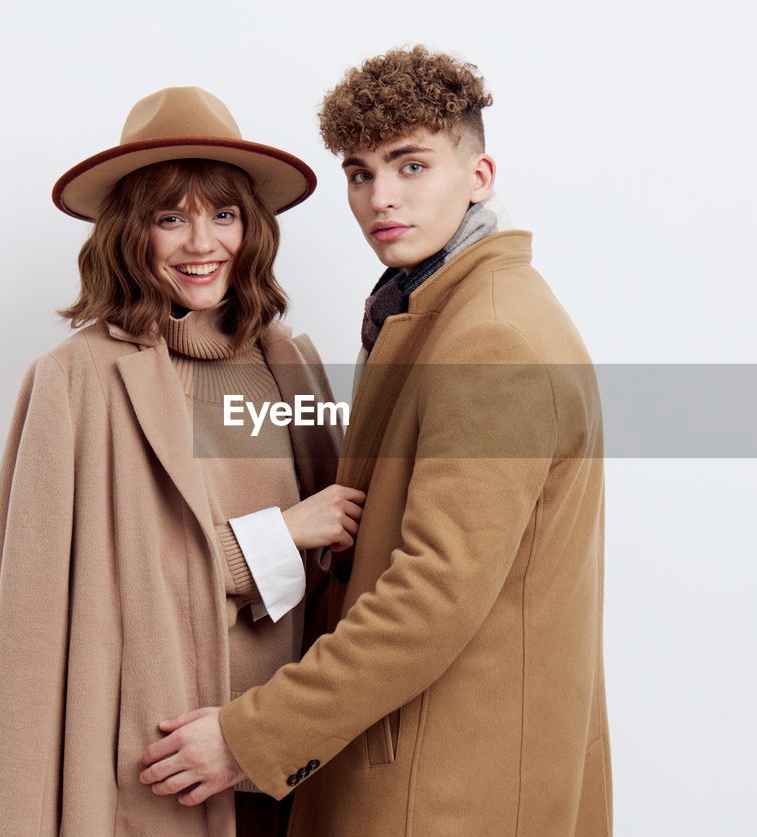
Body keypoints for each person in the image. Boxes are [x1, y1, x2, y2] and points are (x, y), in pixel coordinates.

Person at [140, 48, 611, 835]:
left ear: (479, 176)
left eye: (411, 165)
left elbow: (430, 595)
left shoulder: (490, 336)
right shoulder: (436, 308)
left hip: (446, 786)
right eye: (360, 173)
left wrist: (250, 735)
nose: (379, 198)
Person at [0, 86, 365, 837]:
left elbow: (336, 572)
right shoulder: (76, 379)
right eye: (169, 217)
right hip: (145, 765)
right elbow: (52, 606)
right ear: (131, 232)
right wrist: (276, 537)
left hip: (280, 760)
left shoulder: (290, 366)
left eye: (223, 214)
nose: (201, 242)